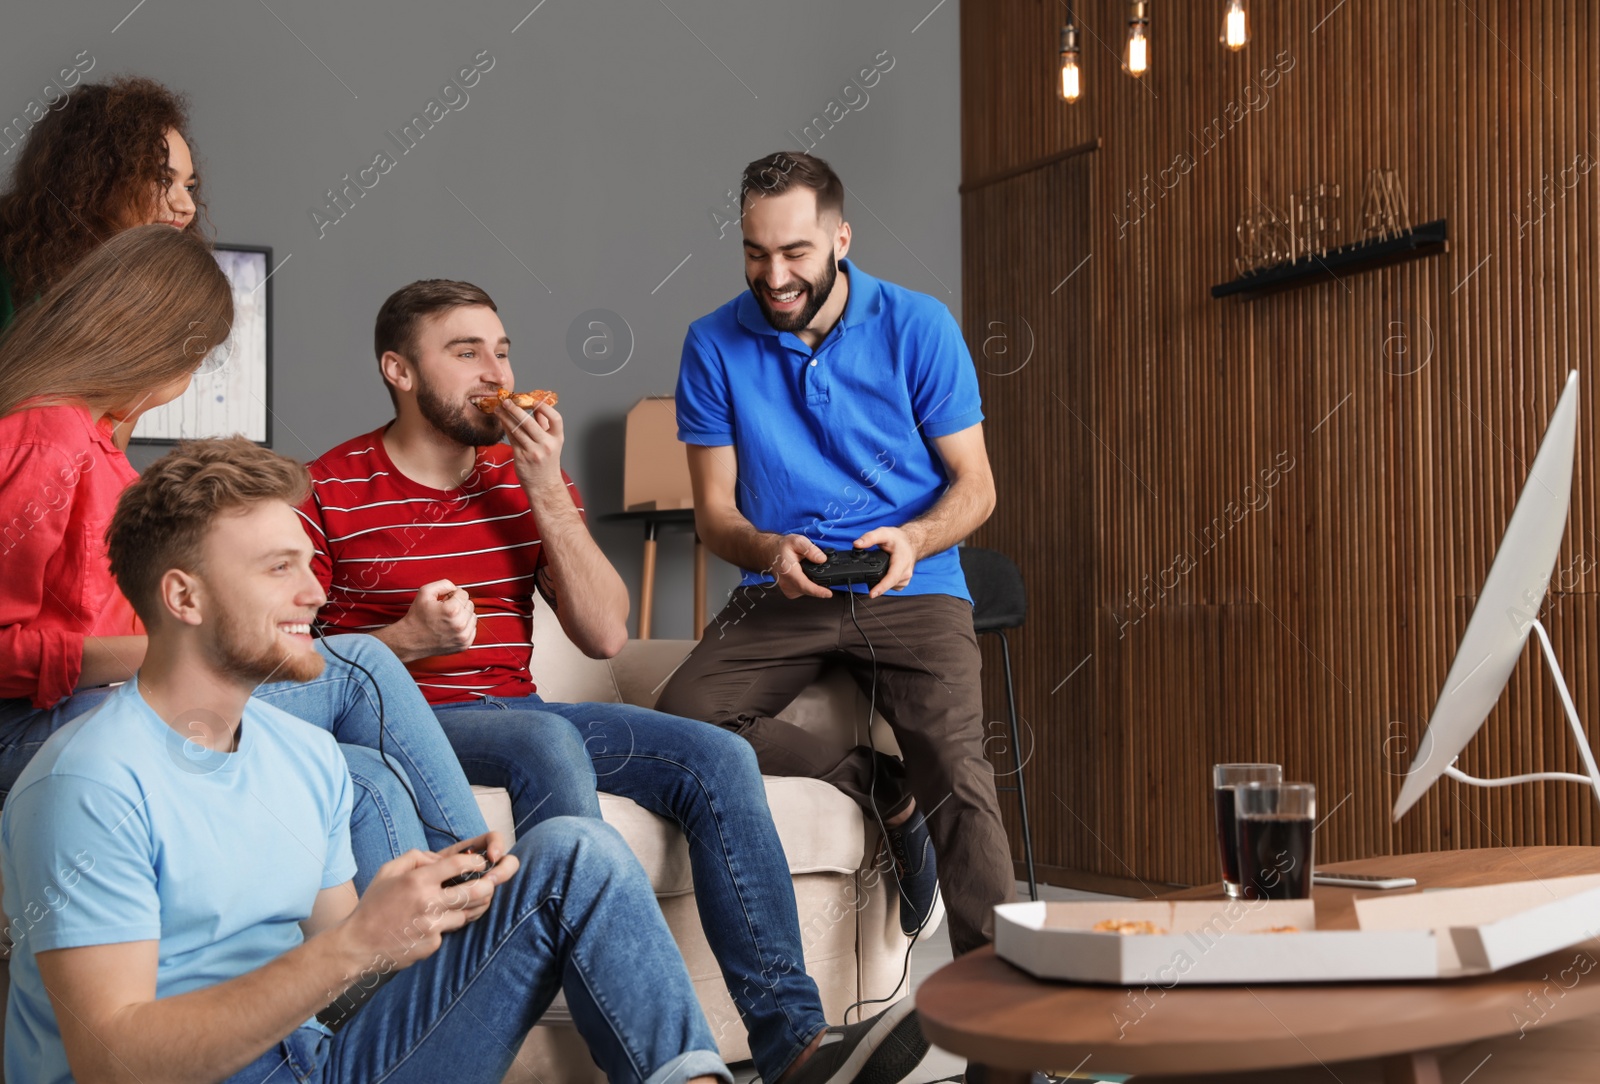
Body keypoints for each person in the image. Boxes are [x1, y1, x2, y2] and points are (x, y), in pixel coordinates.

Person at [298, 279, 931, 1084]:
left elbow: (604, 633)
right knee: (545, 735)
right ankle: (621, 1025)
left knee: (717, 758)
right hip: (409, 723)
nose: (494, 372)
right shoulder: (329, 486)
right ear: (399, 370)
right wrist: (403, 641)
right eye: (465, 353)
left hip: (516, 708)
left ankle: (794, 1042)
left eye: (502, 350)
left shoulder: (522, 475)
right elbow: (300, 669)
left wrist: (542, 490)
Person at [1, 435, 731, 1084]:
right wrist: (353, 945)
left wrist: (417, 916)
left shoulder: (304, 754)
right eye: (278, 569)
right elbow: (112, 1061)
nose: (314, 593)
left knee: (577, 854)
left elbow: (349, 975)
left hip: (315, 1060)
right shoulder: (88, 785)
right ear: (184, 597)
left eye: (309, 564)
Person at [0, 225, 490, 886]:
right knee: (362, 665)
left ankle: (422, 967)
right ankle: (490, 900)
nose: (193, 374)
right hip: (38, 732)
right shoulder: (45, 435)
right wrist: (175, 653)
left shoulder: (94, 439)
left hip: (119, 699)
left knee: (366, 777)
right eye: (197, 354)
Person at [655, 151, 1014, 958]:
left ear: (841, 239)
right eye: (755, 252)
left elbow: (977, 486)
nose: (773, 276)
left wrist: (914, 538)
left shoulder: (918, 325)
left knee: (957, 775)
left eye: (795, 253)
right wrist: (769, 546)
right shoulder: (711, 343)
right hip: (782, 586)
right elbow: (715, 516)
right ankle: (876, 784)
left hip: (912, 581)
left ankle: (1010, 1033)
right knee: (684, 717)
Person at [0, 75, 203, 334]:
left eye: (189, 187)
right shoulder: (15, 283)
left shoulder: (160, 294)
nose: (188, 206)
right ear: (97, 175)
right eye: (163, 180)